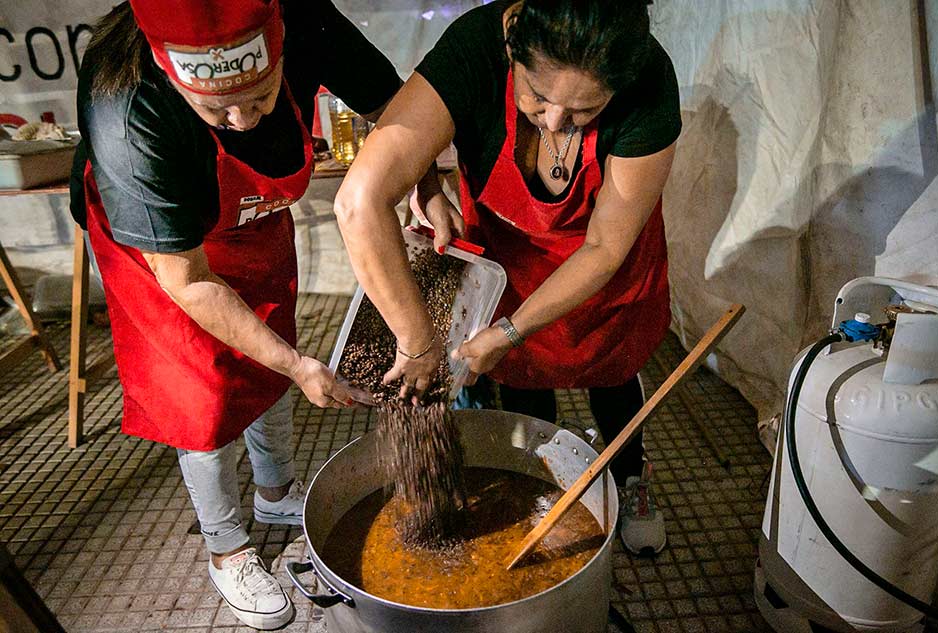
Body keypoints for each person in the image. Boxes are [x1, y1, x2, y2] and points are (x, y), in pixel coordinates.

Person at [68, 0, 401, 628]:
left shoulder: (299, 14)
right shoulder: (127, 107)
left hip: (250, 223)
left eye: (263, 92)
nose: (244, 121)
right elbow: (188, 280)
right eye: (216, 108)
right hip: (164, 253)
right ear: (173, 77)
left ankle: (277, 495)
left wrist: (423, 184)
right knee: (204, 391)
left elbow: (392, 105)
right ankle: (226, 546)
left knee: (272, 340)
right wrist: (299, 365)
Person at [334, 0, 680, 555]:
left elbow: (605, 245)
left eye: (585, 110)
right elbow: (359, 201)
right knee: (523, 373)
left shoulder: (649, 80)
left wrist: (513, 328)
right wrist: (425, 191)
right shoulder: (473, 49)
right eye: (538, 98)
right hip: (508, 257)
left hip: (600, 268)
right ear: (514, 49)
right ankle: (543, 475)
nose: (554, 122)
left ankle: (630, 476)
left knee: (610, 363)